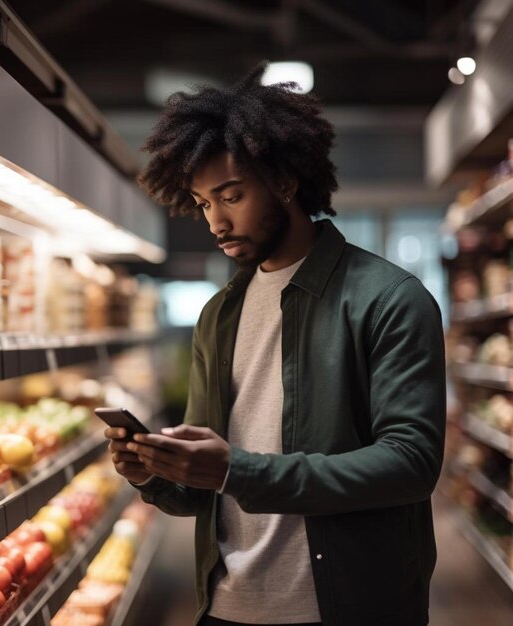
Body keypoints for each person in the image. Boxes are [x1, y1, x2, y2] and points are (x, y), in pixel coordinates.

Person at [105, 62, 446, 626]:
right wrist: (155, 472)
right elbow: (206, 489)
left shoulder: (389, 298)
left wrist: (238, 471)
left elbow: (410, 463)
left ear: (284, 182)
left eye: (231, 196)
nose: (215, 221)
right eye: (203, 202)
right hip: (228, 605)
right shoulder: (218, 315)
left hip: (350, 607)